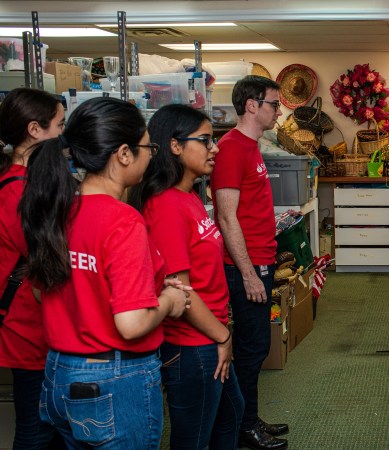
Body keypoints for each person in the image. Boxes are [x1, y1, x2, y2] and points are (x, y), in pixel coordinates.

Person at [19, 96, 190, 449]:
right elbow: (130, 324)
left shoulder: (60, 208)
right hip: (113, 378)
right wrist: (169, 300)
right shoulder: (123, 220)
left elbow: (41, 291)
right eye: (148, 146)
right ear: (124, 154)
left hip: (59, 373)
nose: (151, 154)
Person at [130, 104, 244, 450]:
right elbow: (181, 293)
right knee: (194, 436)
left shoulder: (189, 195)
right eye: (206, 140)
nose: (216, 148)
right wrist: (223, 336)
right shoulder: (164, 205)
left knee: (229, 416)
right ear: (175, 146)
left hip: (209, 336)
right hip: (193, 344)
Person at [211, 75, 289, 450]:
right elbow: (227, 217)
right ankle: (242, 428)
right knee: (250, 348)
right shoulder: (231, 148)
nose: (279, 111)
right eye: (274, 104)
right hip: (247, 265)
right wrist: (247, 274)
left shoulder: (251, 146)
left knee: (254, 347)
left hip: (261, 256)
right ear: (252, 105)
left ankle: (249, 418)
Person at [0, 88, 65, 449]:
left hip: (37, 325)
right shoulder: (17, 193)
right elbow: (45, 261)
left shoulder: (28, 185)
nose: (63, 135)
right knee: (36, 426)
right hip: (28, 328)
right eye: (59, 125)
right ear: (35, 130)